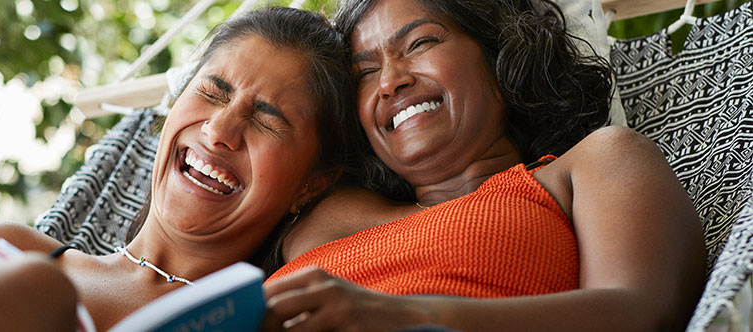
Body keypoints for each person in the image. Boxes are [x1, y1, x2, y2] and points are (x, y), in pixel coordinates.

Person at [0, 7, 362, 331]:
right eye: (211, 92)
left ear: (314, 183)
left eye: (266, 120)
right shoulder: (8, 249)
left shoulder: (272, 316)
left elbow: (434, 213)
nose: (219, 131)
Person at [262, 0, 707, 331]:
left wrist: (413, 315)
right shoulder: (318, 214)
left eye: (420, 43)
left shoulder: (591, 165)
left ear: (501, 55)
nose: (390, 81)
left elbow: (640, 312)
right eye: (364, 73)